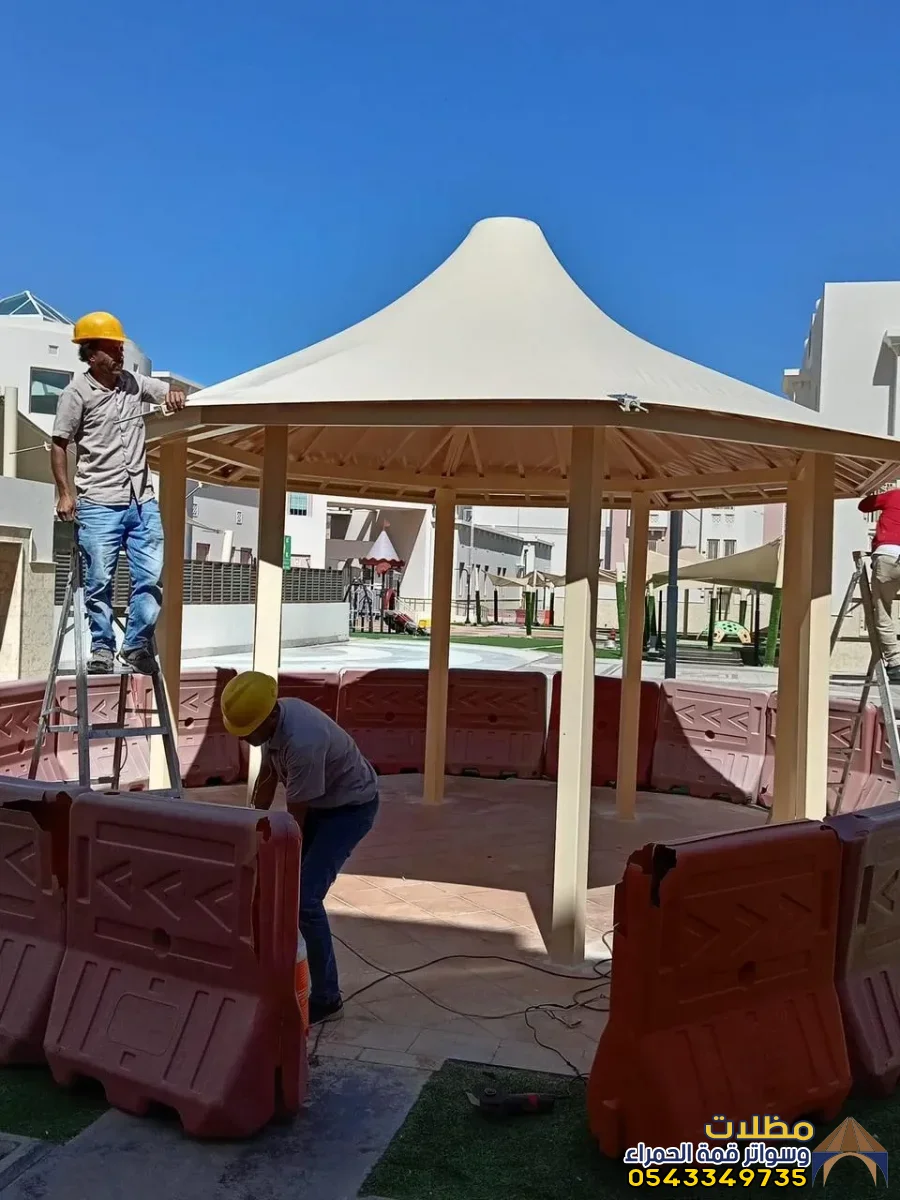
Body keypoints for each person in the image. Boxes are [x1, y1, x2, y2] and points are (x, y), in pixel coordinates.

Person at [220, 671, 379, 1025]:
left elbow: (296, 826)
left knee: (304, 899)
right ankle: (276, 972)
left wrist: (277, 860)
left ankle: (327, 999)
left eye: (247, 731)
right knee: (280, 888)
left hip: (349, 810)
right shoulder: (273, 721)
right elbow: (267, 777)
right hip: (323, 803)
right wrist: (250, 827)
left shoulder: (303, 742)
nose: (243, 738)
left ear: (269, 718)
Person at [50, 312, 186, 675]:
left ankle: (136, 644)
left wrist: (174, 394)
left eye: (119, 347)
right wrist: (65, 494)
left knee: (151, 576)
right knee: (98, 580)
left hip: (141, 500)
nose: (118, 354)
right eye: (111, 349)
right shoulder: (75, 394)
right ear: (91, 354)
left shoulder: (132, 382)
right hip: (98, 501)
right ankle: (102, 647)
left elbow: (168, 392)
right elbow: (59, 444)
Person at [859, 485, 900, 683]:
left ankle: (895, 663)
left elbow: (864, 505)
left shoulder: (895, 495)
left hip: (887, 555)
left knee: (883, 609)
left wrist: (874, 490)